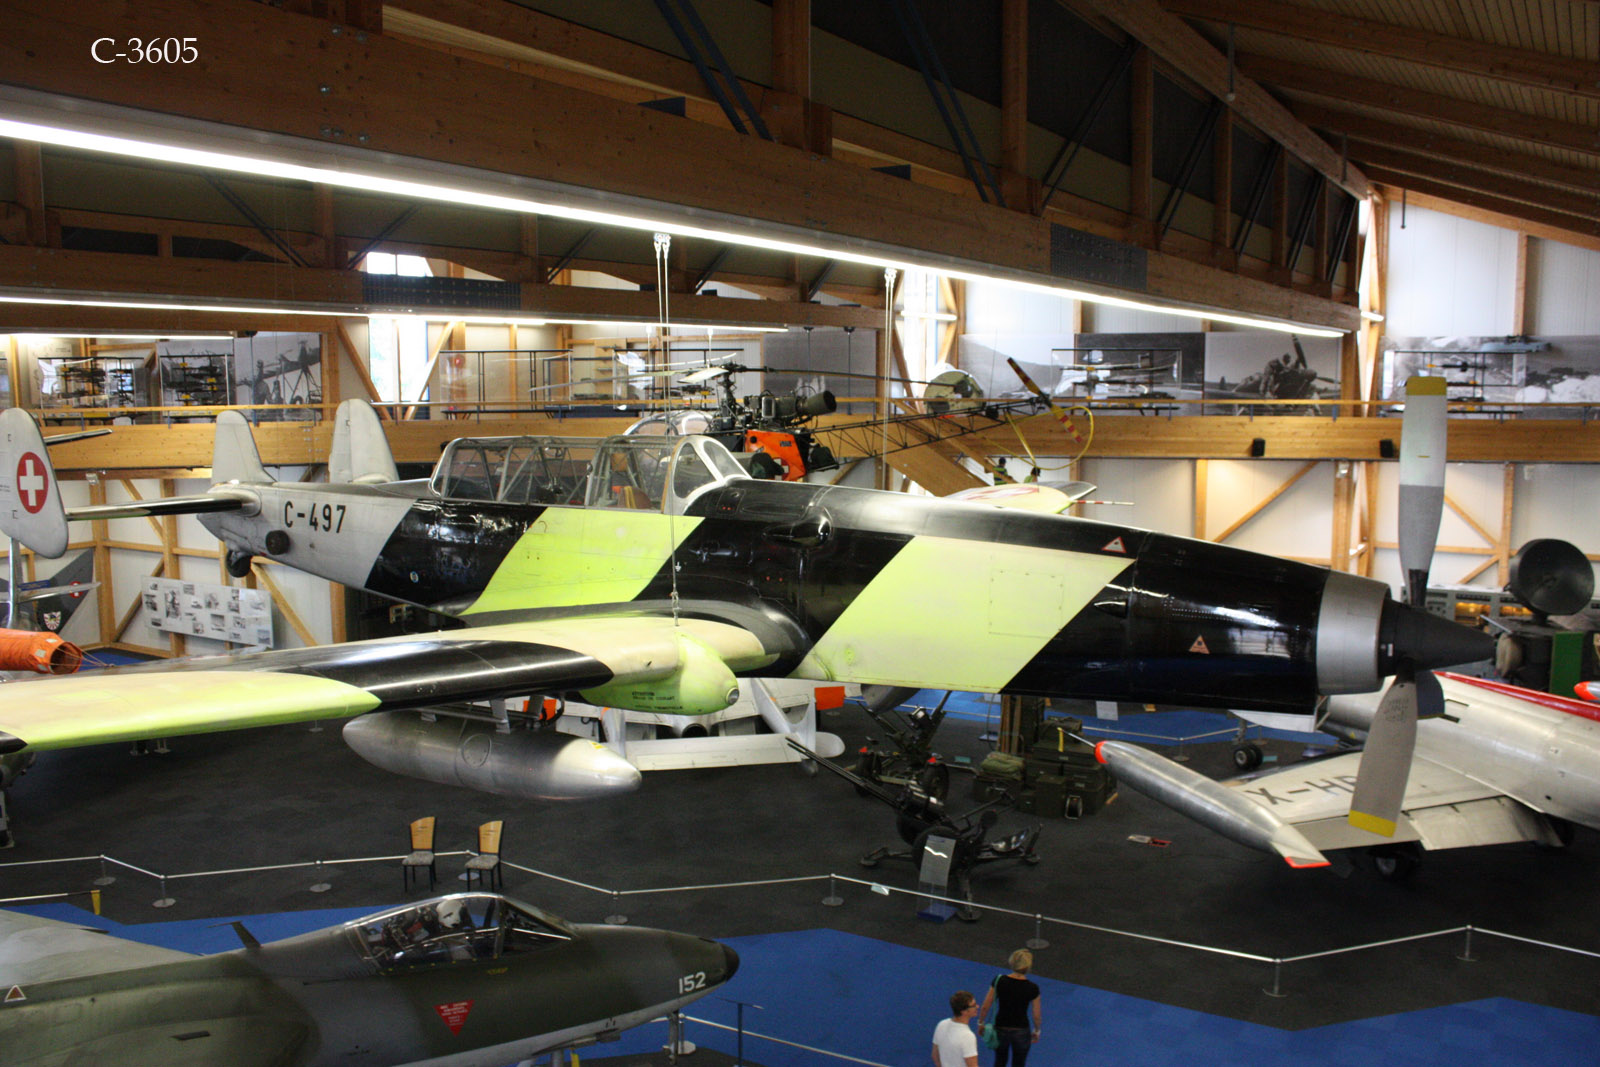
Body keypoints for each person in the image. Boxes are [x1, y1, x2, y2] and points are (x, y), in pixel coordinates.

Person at [977, 949, 1042, 1067]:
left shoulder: (999, 981)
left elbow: (986, 1006)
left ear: (1012, 962)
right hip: (1021, 1029)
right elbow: (1036, 1015)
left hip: (1000, 1027)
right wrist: (1037, 1030)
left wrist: (981, 1022)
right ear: (1028, 966)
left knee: (1000, 1061)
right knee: (1019, 1063)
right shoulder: (1033, 988)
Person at [932, 990, 980, 1067]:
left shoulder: (941, 1025)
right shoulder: (968, 1036)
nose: (977, 1006)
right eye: (973, 1005)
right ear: (964, 1011)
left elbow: (935, 1056)